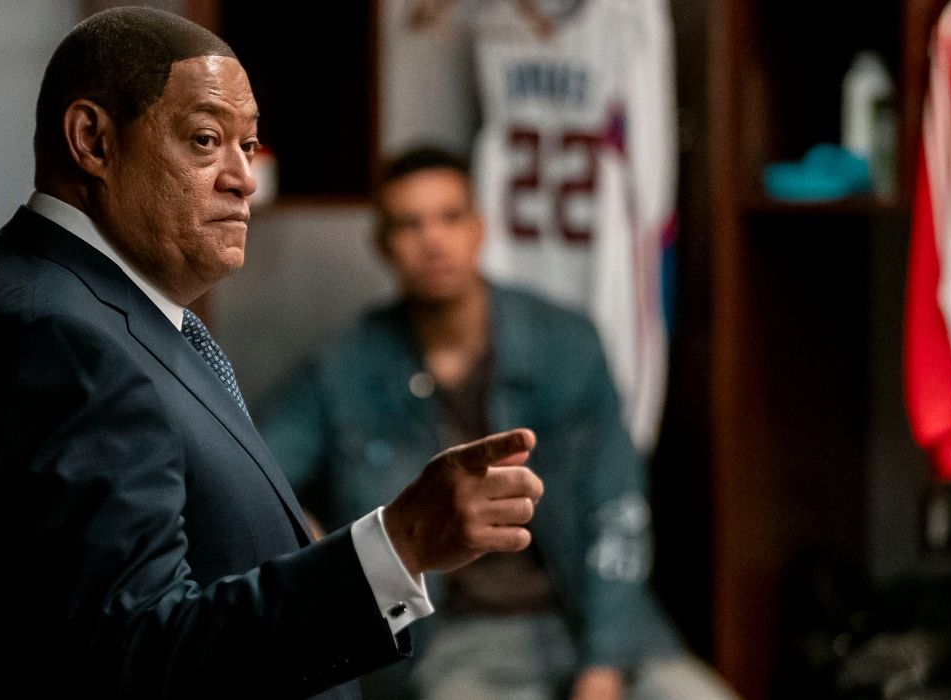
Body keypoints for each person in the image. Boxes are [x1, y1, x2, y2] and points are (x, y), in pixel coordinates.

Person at [0, 10, 545, 699]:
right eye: (206, 140)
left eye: (250, 145)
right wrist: (401, 543)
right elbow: (137, 657)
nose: (244, 178)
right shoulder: (56, 333)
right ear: (93, 140)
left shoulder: (91, 307)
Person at [259, 147, 736, 700]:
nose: (433, 240)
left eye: (449, 217)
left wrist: (603, 665)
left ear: (479, 228)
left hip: (596, 624)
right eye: (410, 225)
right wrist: (312, 543)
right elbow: (253, 473)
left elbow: (617, 508)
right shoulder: (345, 370)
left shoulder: (566, 344)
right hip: (457, 643)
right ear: (383, 246)